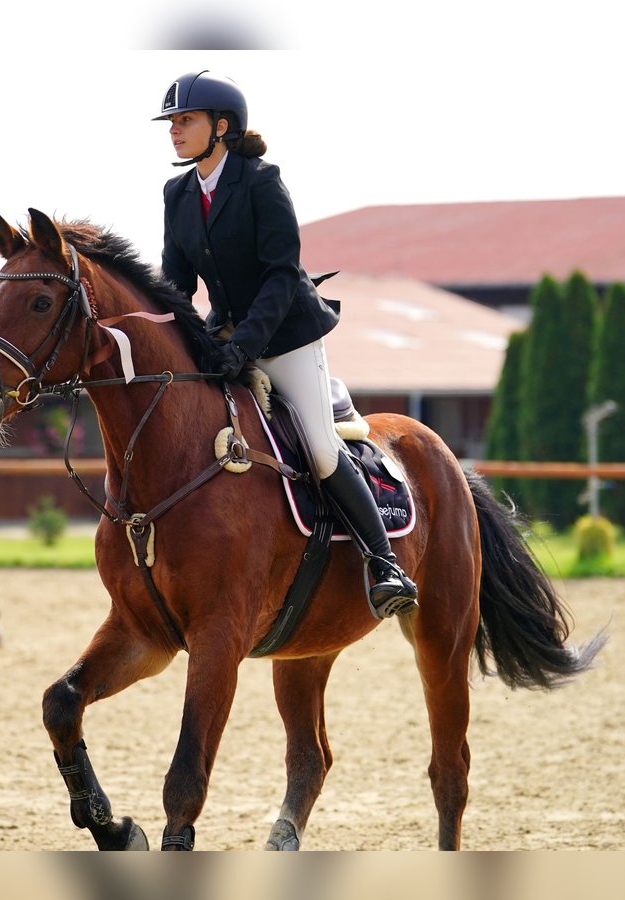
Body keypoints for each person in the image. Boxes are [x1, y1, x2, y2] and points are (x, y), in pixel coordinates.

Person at [153, 70, 418, 619]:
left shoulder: (260, 181)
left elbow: (279, 275)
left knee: (320, 447)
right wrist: (173, 337)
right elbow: (176, 283)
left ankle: (384, 562)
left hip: (286, 333)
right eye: (172, 123)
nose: (175, 131)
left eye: (186, 121)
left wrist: (243, 345)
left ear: (221, 127)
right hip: (225, 334)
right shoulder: (177, 193)